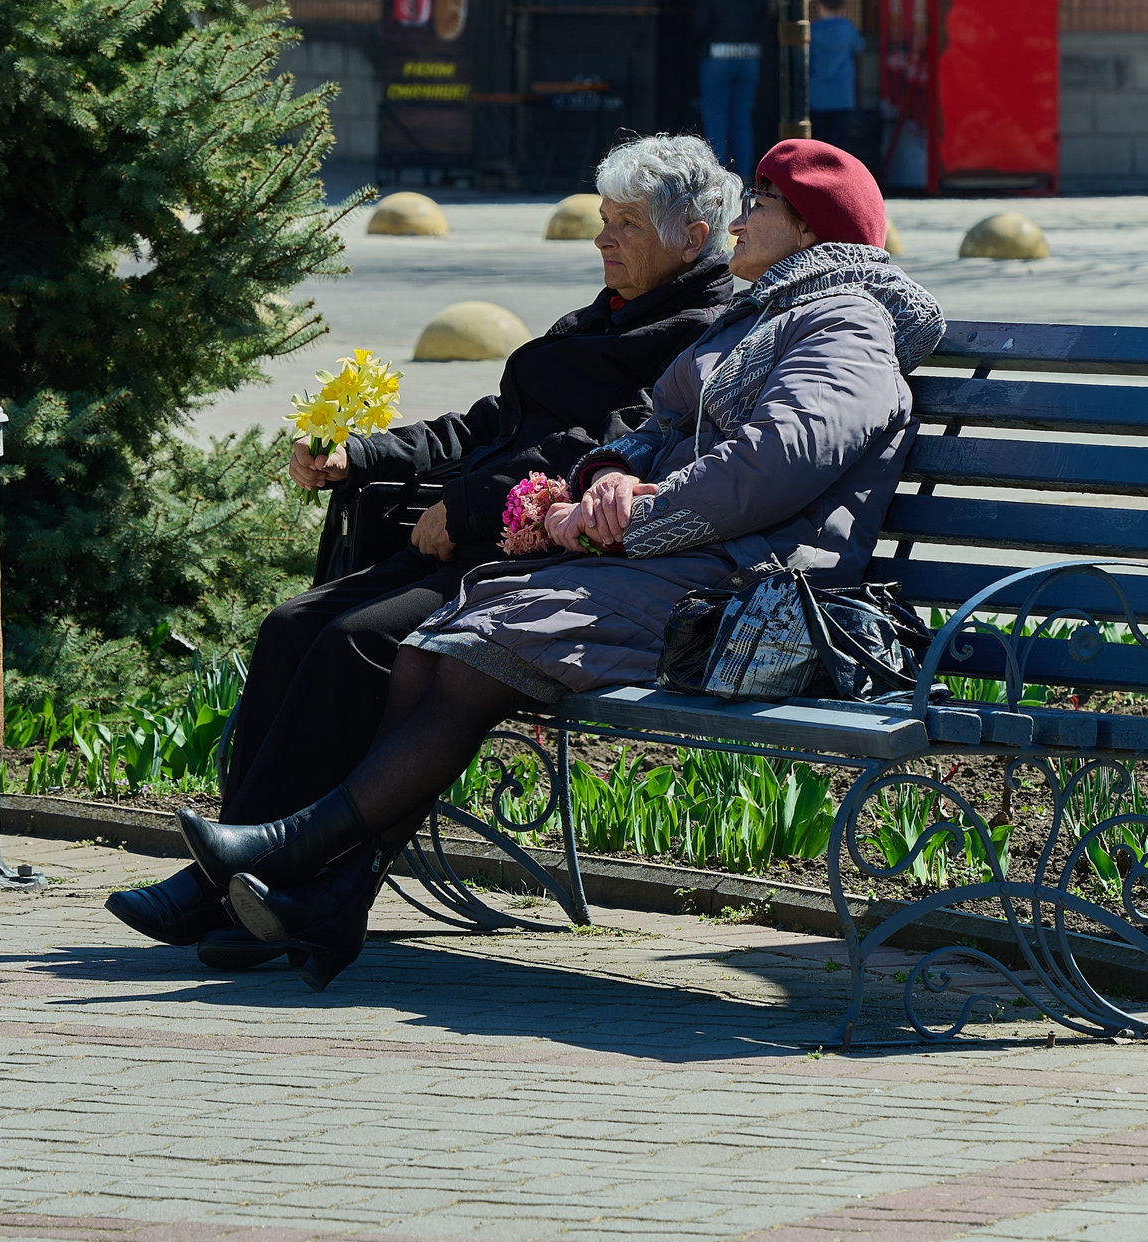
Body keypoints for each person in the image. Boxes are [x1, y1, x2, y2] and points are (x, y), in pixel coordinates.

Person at [172, 139, 943, 991]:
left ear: (809, 231)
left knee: (486, 630)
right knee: (444, 639)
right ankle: (333, 892)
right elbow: (649, 427)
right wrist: (608, 474)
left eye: (760, 203)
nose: (742, 218)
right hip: (690, 565)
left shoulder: (846, 324)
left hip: (752, 590)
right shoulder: (763, 316)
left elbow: (777, 460)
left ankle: (296, 856)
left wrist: (639, 511)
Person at [105, 137, 741, 965]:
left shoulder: (695, 332)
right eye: (602, 220)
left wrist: (467, 506)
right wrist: (362, 454)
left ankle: (246, 892)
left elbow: (605, 450)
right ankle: (233, 877)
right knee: (293, 623)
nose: (602, 239)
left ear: (692, 237)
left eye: (624, 224)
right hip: (477, 534)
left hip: (542, 562)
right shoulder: (613, 309)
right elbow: (491, 423)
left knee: (354, 641)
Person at [691, 0, 770, 176]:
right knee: (742, 121)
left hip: (717, 57)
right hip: (749, 58)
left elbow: (700, 23)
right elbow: (763, 20)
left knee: (716, 121)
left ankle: (717, 180)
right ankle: (744, 178)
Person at [808, 0, 867, 157]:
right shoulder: (848, 28)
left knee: (819, 142)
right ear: (841, 8)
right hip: (843, 95)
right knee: (841, 142)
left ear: (820, 7)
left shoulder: (813, 30)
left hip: (818, 95)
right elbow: (860, 48)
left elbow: (808, 61)